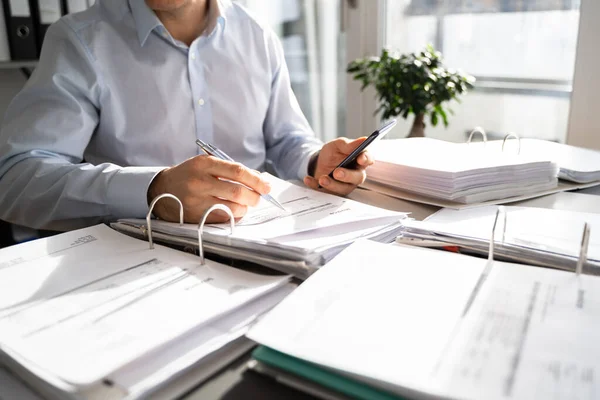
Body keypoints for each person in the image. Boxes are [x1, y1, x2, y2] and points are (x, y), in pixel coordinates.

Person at [0, 0, 373, 231]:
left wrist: (315, 161)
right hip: (132, 261)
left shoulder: (258, 37)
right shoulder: (80, 40)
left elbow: (286, 139)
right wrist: (154, 190)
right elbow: (15, 179)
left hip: (257, 241)